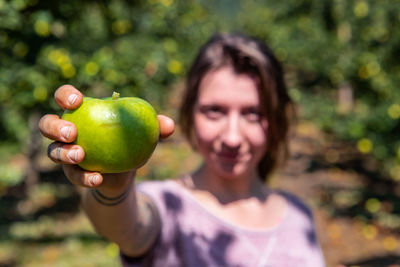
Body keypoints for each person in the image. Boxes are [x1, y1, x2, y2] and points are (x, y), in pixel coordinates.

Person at [39, 33, 326, 267]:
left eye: (253, 113)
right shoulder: (168, 207)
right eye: (215, 111)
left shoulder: (299, 216)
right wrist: (114, 187)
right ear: (190, 113)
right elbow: (128, 229)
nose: (233, 137)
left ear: (275, 120)